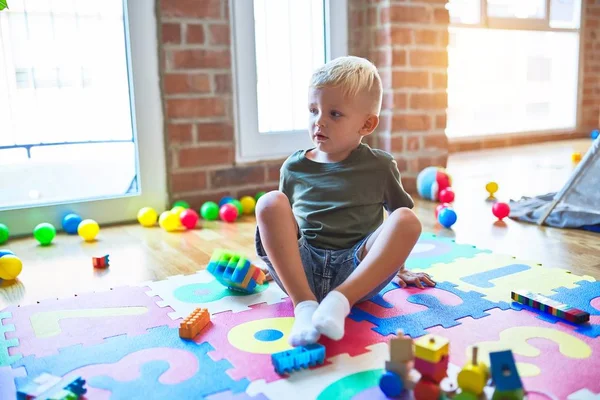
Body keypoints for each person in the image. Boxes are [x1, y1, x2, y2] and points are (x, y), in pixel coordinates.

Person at [255, 56, 435, 347]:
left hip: (357, 272)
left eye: (334, 114)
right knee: (269, 203)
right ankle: (305, 307)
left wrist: (400, 269)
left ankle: (339, 303)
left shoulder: (380, 166)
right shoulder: (294, 167)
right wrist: (269, 264)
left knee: (407, 218)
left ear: (367, 124)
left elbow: (396, 228)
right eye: (313, 110)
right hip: (304, 270)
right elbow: (282, 229)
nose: (319, 121)